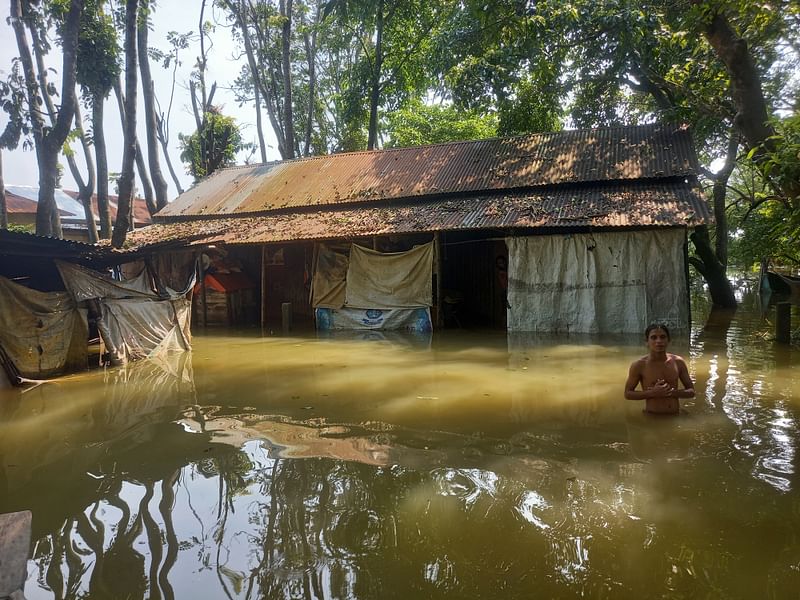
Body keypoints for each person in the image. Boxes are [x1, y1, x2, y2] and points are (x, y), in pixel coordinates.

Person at [624, 323, 695, 414]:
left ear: (668, 340)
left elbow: (691, 391)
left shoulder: (678, 362)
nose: (659, 341)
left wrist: (672, 392)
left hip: (675, 415)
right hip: (652, 418)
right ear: (646, 342)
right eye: (654, 337)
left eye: (662, 337)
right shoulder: (639, 365)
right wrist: (652, 393)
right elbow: (628, 394)